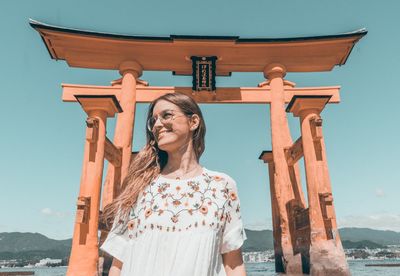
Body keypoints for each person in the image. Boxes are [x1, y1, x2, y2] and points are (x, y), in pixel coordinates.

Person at [100, 92, 247, 276]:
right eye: (153, 120)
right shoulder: (137, 186)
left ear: (193, 122)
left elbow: (233, 264)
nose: (157, 124)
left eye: (166, 115)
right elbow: (118, 264)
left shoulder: (222, 186)